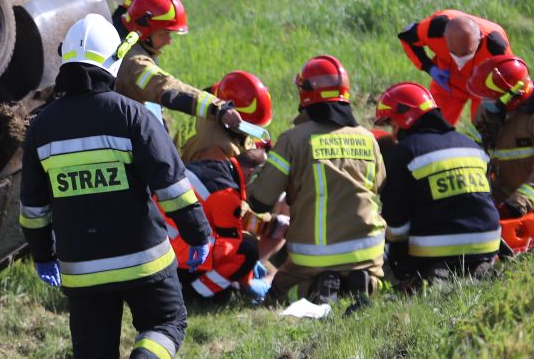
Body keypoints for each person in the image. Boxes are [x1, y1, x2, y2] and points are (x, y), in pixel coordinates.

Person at [19, 14, 213, 359]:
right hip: (144, 260)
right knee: (167, 323)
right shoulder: (132, 115)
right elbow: (171, 185)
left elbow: (33, 207)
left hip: (81, 269)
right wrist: (198, 233)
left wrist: (42, 254)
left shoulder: (41, 128)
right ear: (110, 62)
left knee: (91, 354)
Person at [247, 55, 386, 303]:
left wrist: (259, 171)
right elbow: (379, 185)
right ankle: (364, 283)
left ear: (304, 94)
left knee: (278, 293)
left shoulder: (293, 140)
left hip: (313, 256)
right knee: (374, 280)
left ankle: (312, 289)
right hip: (368, 253)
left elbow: (260, 201)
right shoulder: (367, 138)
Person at [373, 82, 501, 289]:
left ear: (403, 120)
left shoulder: (404, 153)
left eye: (393, 125)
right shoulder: (471, 146)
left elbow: (396, 227)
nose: (393, 133)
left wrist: (398, 263)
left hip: (436, 252)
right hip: (487, 244)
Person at [113, 0, 242, 135]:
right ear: (144, 32)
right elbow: (166, 87)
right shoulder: (134, 63)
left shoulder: (117, 35)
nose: (169, 41)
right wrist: (216, 108)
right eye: (164, 34)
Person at [467, 55, 534, 231]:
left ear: (512, 96)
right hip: (503, 189)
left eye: (489, 99)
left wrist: (516, 205)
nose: (483, 103)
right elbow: (472, 151)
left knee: (525, 243)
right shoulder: (488, 111)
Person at [165, 150, 267, 304]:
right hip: (180, 255)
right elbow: (232, 245)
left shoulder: (211, 165)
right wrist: (247, 280)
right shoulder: (226, 192)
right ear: (251, 173)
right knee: (247, 250)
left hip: (161, 245)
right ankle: (196, 292)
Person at [397, 10, 510, 125]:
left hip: (483, 88)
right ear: (445, 36)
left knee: (484, 130)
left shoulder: (497, 47)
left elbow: (510, 77)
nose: (460, 61)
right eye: (453, 52)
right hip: (448, 83)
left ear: (480, 38)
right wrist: (430, 68)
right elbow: (406, 38)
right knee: (431, 126)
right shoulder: (435, 29)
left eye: (466, 53)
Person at [180, 70, 273, 162]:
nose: (252, 130)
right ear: (234, 116)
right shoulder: (218, 148)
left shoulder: (209, 113)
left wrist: (255, 148)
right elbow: (223, 175)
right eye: (251, 125)